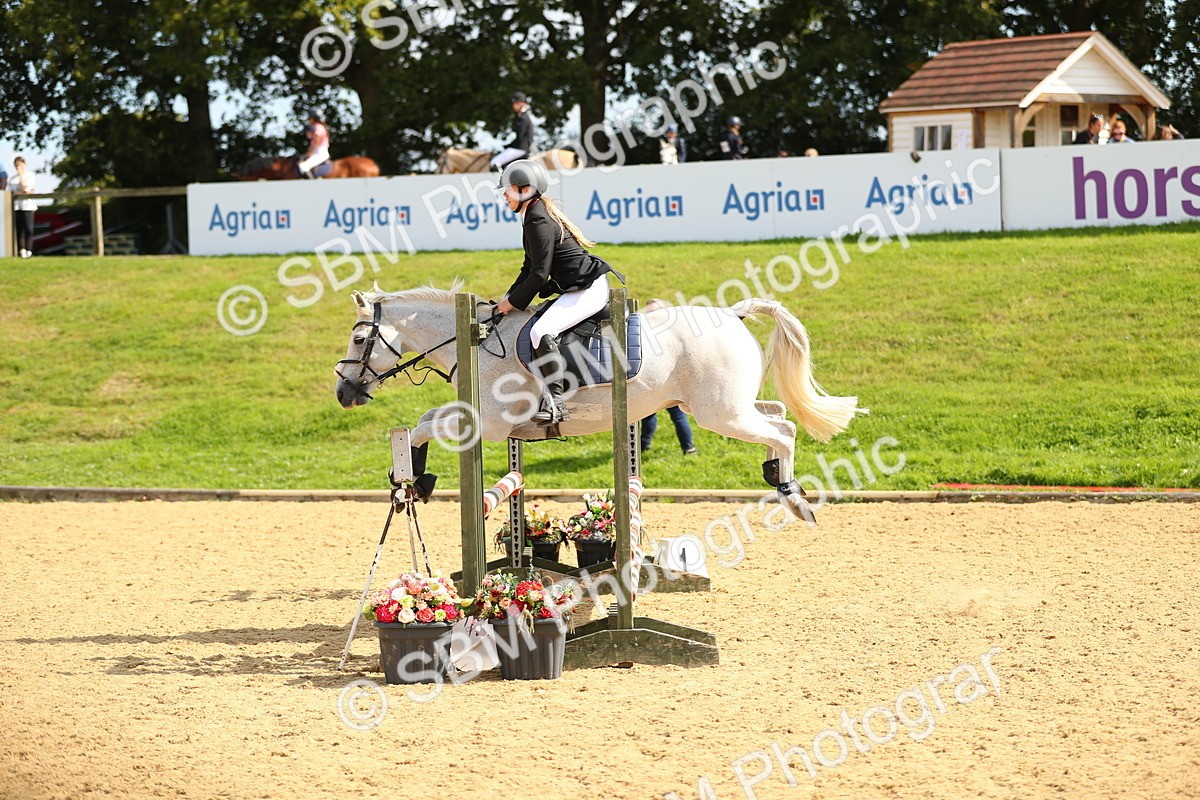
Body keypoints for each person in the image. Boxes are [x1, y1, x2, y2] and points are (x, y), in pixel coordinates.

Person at [494, 160, 619, 426]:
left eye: (508, 189)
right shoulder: (533, 214)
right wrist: (507, 298)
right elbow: (529, 267)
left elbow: (539, 275)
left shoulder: (537, 218)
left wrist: (513, 303)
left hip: (588, 288)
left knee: (540, 332)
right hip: (579, 286)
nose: (504, 194)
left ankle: (556, 404)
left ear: (525, 190)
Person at [638, 300, 697, 454]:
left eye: (653, 312)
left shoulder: (665, 337)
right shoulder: (658, 336)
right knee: (648, 416)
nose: (649, 316)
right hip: (653, 382)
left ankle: (688, 447)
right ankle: (643, 446)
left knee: (677, 417)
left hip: (670, 383)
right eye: (648, 312)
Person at [491, 92, 536, 171]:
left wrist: (509, 146)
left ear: (522, 104)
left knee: (494, 162)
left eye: (515, 103)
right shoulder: (521, 117)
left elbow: (520, 137)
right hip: (521, 147)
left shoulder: (523, 118)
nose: (513, 106)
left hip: (521, 148)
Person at [12, 157, 36, 258]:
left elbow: (26, 190)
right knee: (19, 229)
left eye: (21, 165)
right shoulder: (12, 179)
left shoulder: (30, 175)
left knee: (28, 229)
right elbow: (11, 193)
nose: (19, 167)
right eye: (17, 165)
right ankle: (21, 250)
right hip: (16, 207)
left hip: (28, 206)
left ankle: (29, 250)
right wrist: (22, 192)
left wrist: (21, 177)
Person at [298, 109, 331, 178]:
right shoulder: (317, 127)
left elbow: (316, 142)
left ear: (313, 118)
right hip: (317, 151)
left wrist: (309, 153)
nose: (308, 120)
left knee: (303, 167)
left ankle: (312, 186)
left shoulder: (318, 127)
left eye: (309, 118)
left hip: (320, 153)